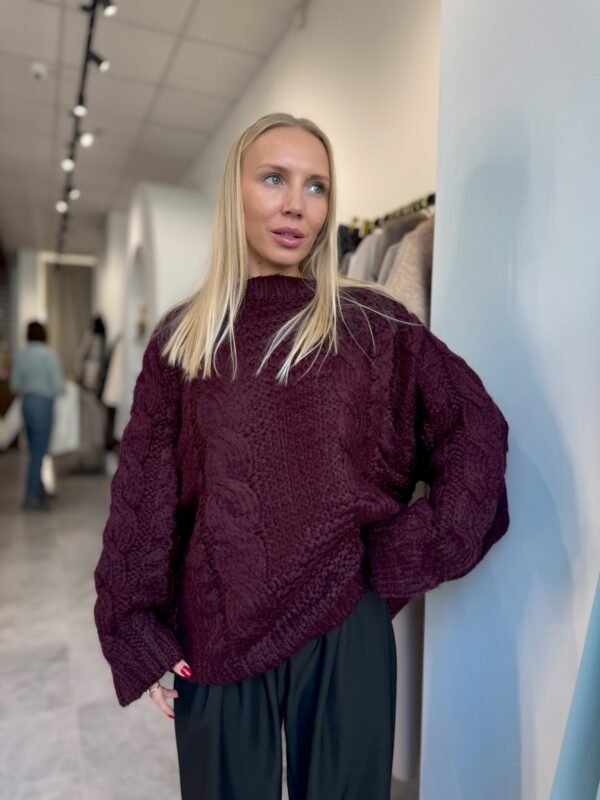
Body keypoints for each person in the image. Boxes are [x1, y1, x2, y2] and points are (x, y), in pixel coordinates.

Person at [93, 113, 510, 799]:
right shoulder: (183, 339)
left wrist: (411, 547)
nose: (296, 204)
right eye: (274, 179)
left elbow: (475, 430)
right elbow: (145, 495)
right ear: (235, 191)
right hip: (218, 624)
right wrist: (137, 625)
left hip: (345, 616)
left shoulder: (374, 325)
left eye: (317, 186)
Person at [10, 320, 65, 510]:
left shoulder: (21, 355)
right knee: (39, 452)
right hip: (43, 404)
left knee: (34, 450)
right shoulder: (49, 355)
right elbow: (58, 385)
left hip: (26, 404)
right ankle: (31, 497)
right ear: (44, 334)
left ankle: (39, 488)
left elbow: (14, 385)